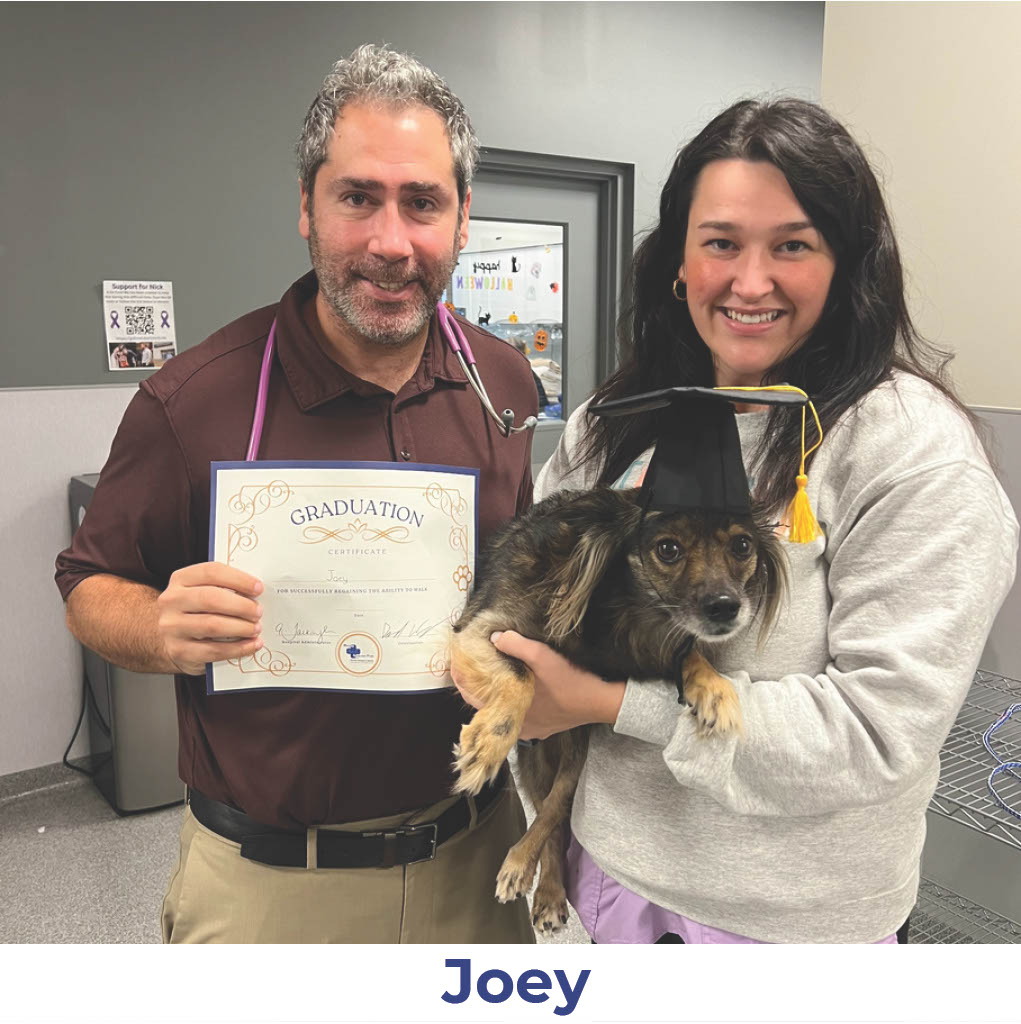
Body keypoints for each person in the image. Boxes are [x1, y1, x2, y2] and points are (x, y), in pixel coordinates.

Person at [458, 98, 1019, 943]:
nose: (750, 283)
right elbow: (536, 616)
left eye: (791, 245)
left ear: (847, 265)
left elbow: (878, 733)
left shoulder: (909, 452)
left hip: (790, 926)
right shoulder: (613, 423)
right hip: (602, 883)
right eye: (720, 243)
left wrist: (613, 705)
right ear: (678, 262)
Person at [56, 44, 537, 944]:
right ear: (307, 209)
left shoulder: (503, 385)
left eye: (422, 203)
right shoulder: (192, 402)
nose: (390, 243)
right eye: (357, 198)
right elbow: (87, 584)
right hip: (272, 889)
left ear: (463, 219)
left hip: (477, 860)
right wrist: (158, 625)